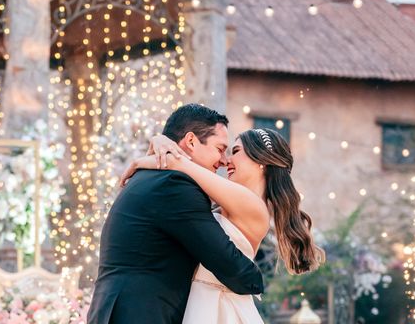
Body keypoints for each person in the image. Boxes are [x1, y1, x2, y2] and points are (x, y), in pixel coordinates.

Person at [119, 126, 325, 323]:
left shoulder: (254, 206)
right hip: (201, 302)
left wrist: (145, 157)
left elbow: (181, 165)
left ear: (260, 160)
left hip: (220, 309)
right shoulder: (228, 202)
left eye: (235, 151)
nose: (226, 160)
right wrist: (160, 142)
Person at [87, 104, 264, 324]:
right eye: (220, 149)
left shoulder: (155, 177)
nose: (222, 161)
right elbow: (227, 263)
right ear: (191, 141)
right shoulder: (175, 185)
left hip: (118, 309)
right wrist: (257, 280)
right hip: (141, 313)